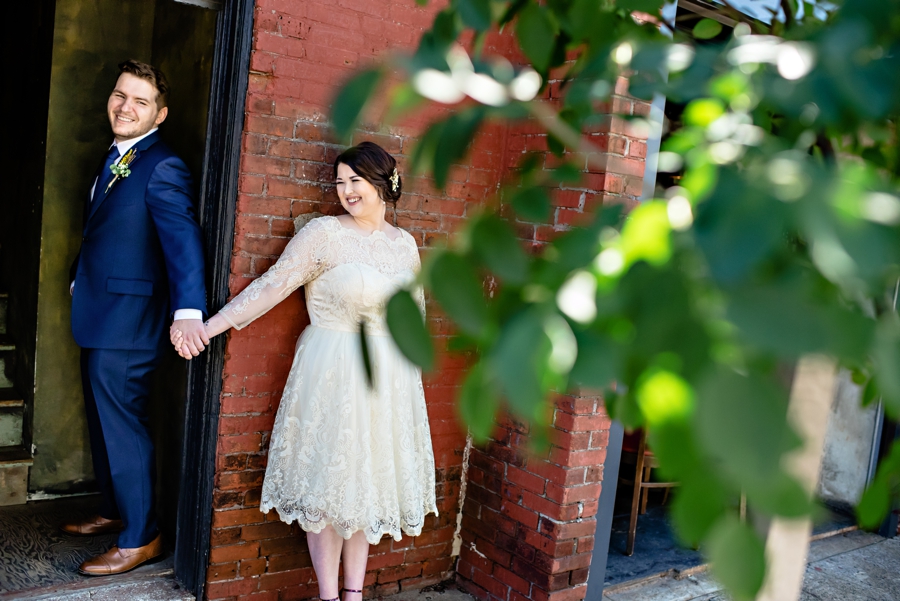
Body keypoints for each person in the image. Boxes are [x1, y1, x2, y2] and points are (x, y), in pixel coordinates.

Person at [172, 141, 437, 601]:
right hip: (332, 370)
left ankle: (354, 595)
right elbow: (272, 286)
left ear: (383, 182)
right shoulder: (324, 233)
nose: (346, 190)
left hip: (387, 377)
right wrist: (209, 327)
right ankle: (328, 596)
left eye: (355, 180)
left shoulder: (405, 245)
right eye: (339, 181)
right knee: (328, 489)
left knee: (365, 490)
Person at [63, 59, 208, 576]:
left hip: (132, 322)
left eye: (140, 101)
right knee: (104, 422)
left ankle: (141, 536)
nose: (126, 107)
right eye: (120, 96)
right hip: (101, 312)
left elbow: (182, 241)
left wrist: (189, 311)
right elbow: (102, 229)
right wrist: (81, 274)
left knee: (124, 426)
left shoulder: (162, 165)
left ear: (160, 114)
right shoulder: (116, 156)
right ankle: (115, 510)